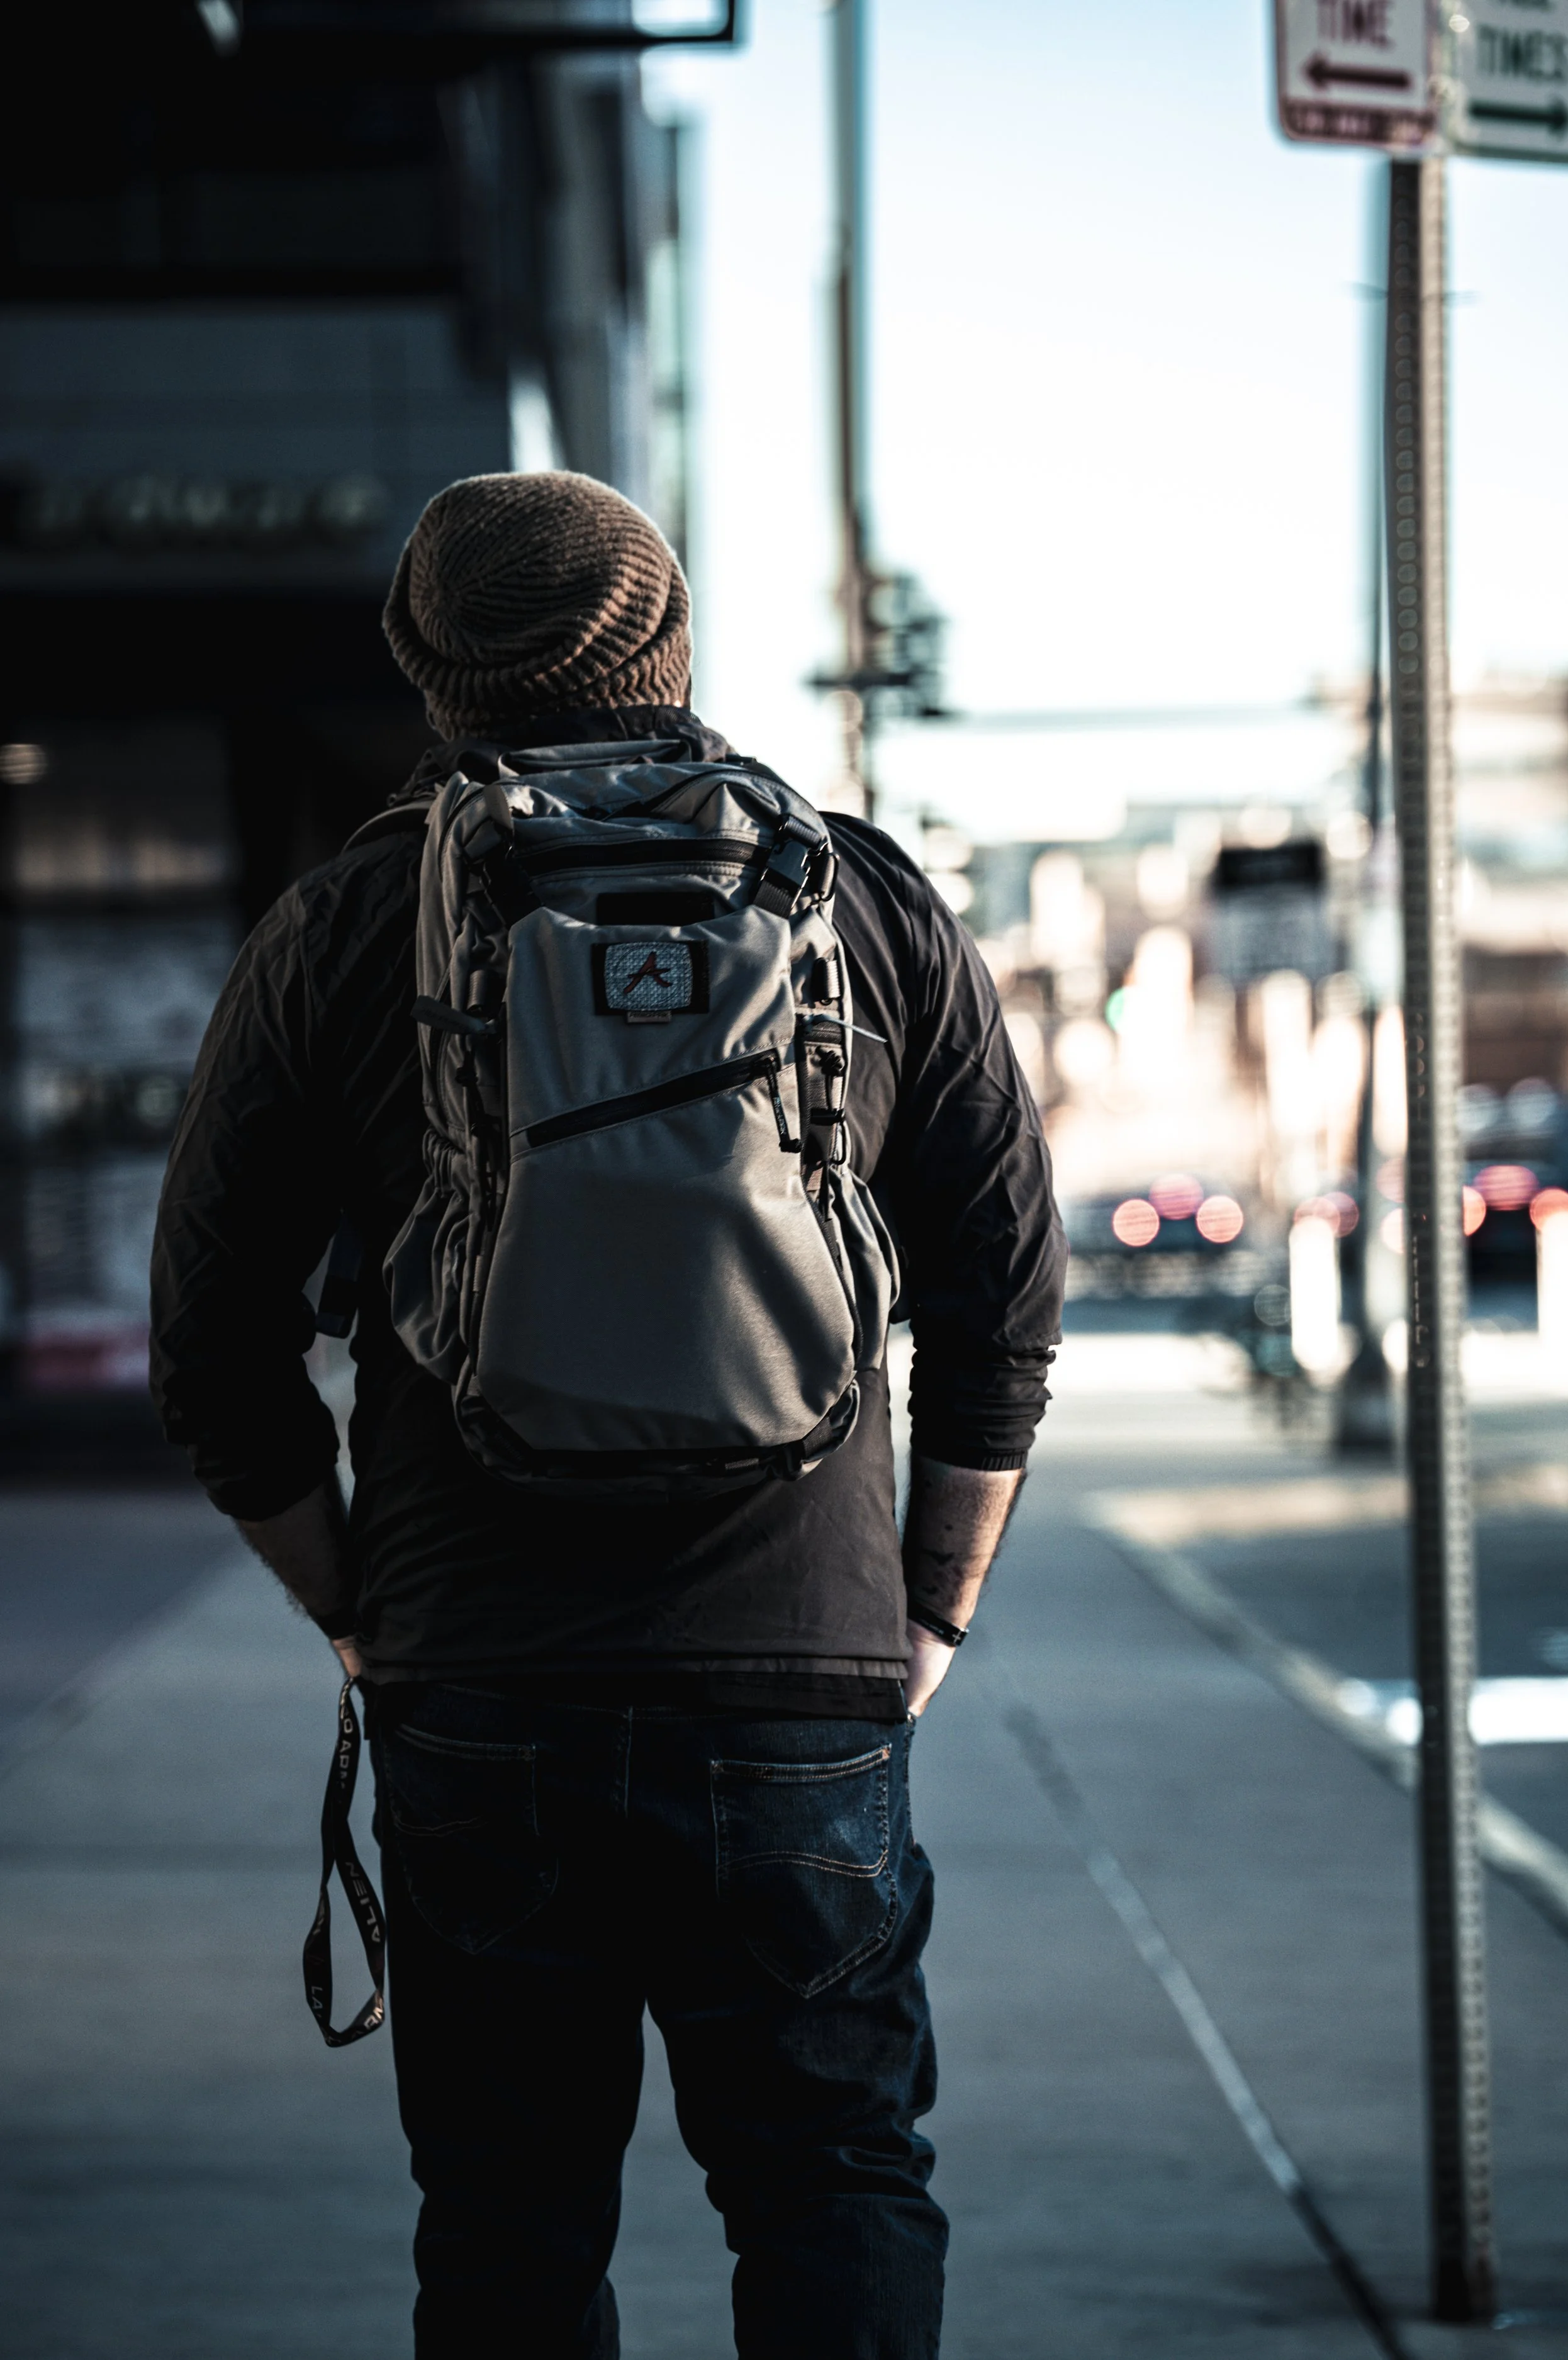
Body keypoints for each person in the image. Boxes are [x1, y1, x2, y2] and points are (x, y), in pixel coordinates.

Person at [150, 469, 1065, 2360]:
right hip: (797, 1670)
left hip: (477, 1677)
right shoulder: (859, 901)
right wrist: (930, 1609)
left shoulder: (341, 928)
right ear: (672, 635)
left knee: (508, 2211)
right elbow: (1007, 1294)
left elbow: (212, 1347)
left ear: (425, 666)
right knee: (831, 2180)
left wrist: (353, 1607)